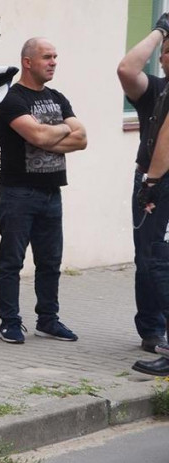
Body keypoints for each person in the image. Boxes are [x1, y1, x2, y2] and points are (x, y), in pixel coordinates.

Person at [0, 38, 87, 344]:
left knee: (50, 262)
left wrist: (49, 134)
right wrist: (59, 130)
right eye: (47, 57)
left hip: (51, 194)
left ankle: (48, 320)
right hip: (18, 194)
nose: (53, 62)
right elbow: (36, 135)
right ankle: (10, 322)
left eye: (55, 57)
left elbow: (82, 138)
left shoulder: (58, 97)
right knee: (11, 261)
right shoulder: (13, 101)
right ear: (28, 61)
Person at [118, 13, 169, 355]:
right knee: (148, 256)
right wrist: (159, 31)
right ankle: (152, 329)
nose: (166, 55)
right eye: (166, 50)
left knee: (159, 258)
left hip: (159, 182)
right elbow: (126, 69)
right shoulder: (155, 89)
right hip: (150, 182)